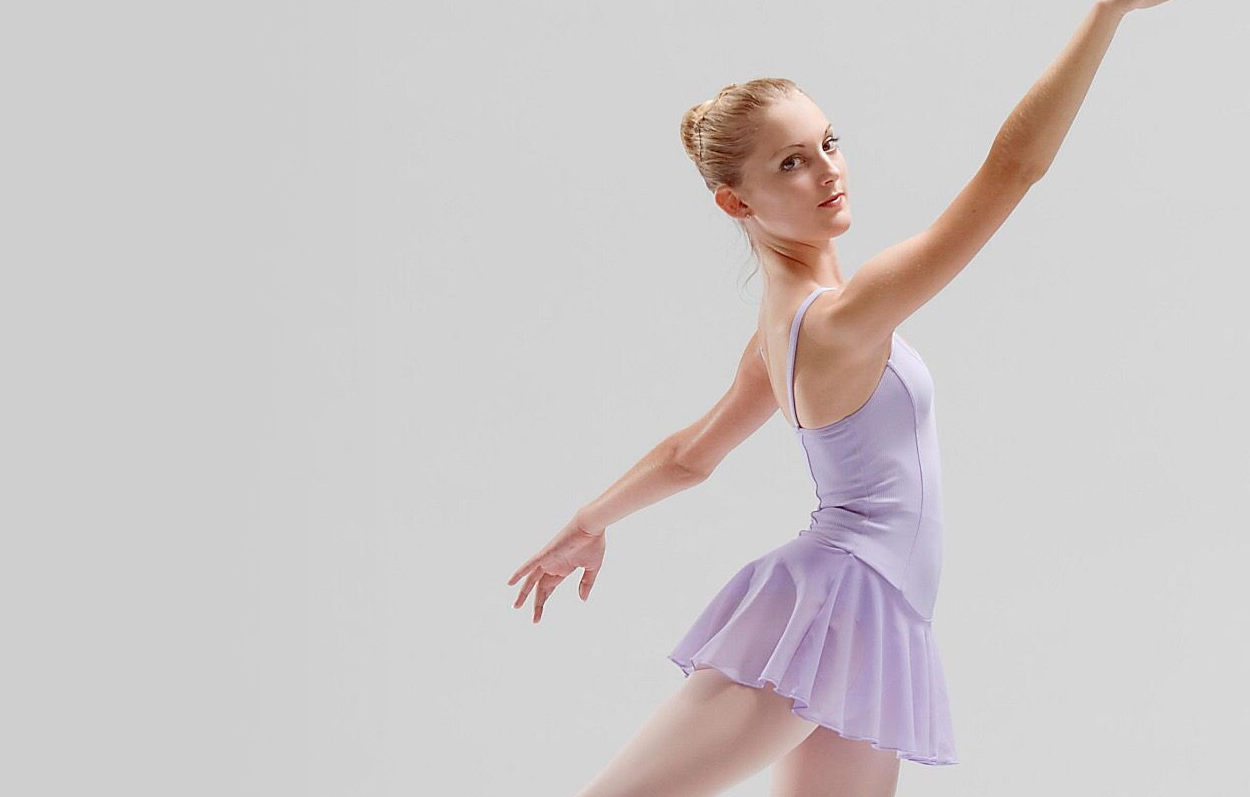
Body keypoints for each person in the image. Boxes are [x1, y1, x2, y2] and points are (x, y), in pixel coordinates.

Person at [504, 1, 1178, 795]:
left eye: (829, 143)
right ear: (736, 201)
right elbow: (1013, 169)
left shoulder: (782, 331)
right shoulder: (839, 320)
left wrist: (589, 522)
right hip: (833, 606)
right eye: (791, 162)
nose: (828, 170)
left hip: (876, 620)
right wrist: (1107, 13)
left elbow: (690, 455)